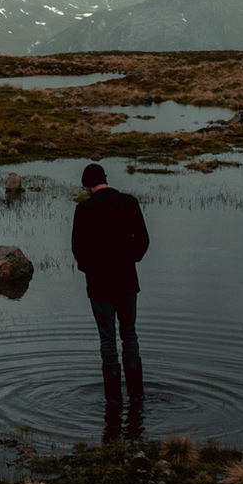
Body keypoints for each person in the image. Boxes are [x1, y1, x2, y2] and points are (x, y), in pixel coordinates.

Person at [70, 162, 150, 409]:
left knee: (107, 341)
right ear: (105, 180)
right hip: (127, 281)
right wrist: (130, 260)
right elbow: (144, 240)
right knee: (130, 336)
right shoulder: (129, 202)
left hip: (99, 285)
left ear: (86, 185)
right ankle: (136, 397)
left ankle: (114, 402)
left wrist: (91, 269)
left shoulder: (84, 209)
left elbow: (77, 248)